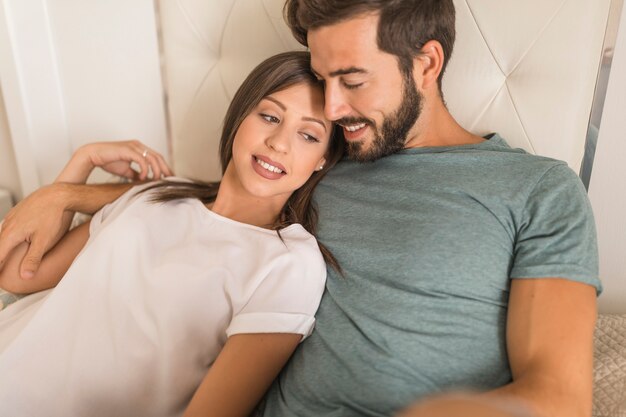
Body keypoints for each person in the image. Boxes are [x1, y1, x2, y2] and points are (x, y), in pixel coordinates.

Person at [0, 1, 601, 417]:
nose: (334, 107)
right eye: (321, 78)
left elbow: (559, 397)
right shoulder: (329, 159)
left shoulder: (537, 190)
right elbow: (214, 203)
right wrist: (67, 194)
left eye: (353, 79)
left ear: (427, 63)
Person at [0, 51, 345, 417]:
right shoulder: (159, 194)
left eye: (308, 135)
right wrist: (79, 166)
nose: (279, 142)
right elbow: (20, 273)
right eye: (270, 116)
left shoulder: (290, 263)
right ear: (240, 116)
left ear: (323, 159)